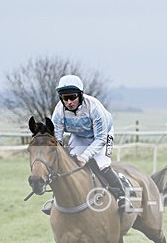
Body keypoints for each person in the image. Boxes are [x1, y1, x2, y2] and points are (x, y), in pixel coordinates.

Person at [45, 74, 131, 215]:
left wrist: (85, 156)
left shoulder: (94, 107)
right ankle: (56, 199)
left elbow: (101, 138)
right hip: (79, 136)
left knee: (101, 163)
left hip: (103, 135)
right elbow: (58, 140)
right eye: (65, 98)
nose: (69, 102)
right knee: (68, 165)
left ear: (80, 95)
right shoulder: (59, 111)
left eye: (72, 97)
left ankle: (122, 196)